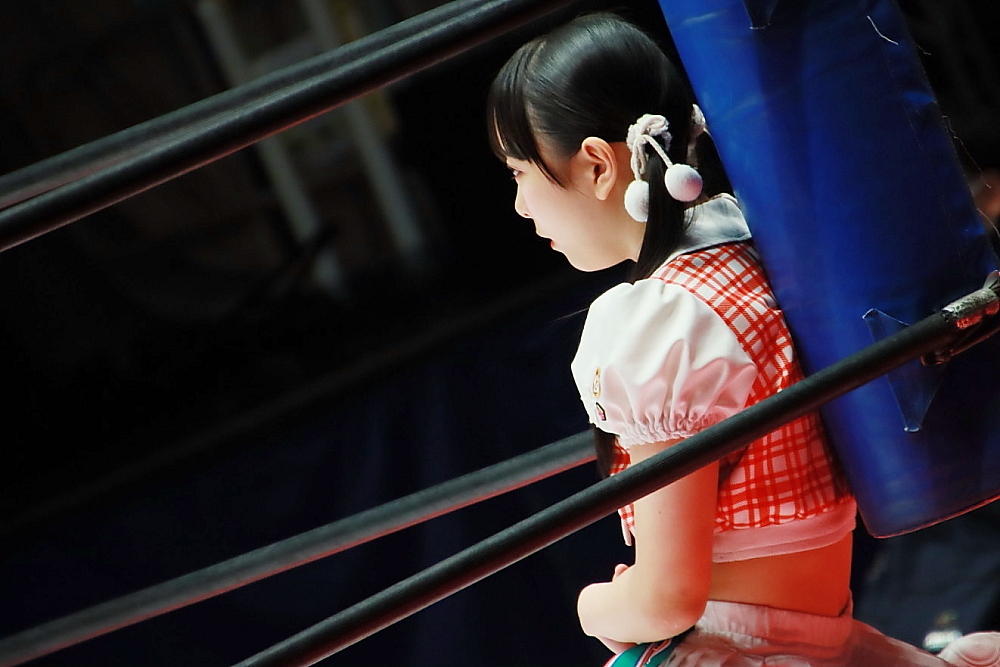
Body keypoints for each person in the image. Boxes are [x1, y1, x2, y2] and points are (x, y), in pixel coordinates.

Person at [486, 12, 999, 667]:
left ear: (595, 165)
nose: (520, 206)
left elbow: (666, 597)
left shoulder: (656, 322)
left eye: (519, 173)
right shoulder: (754, 252)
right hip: (828, 642)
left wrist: (594, 604)